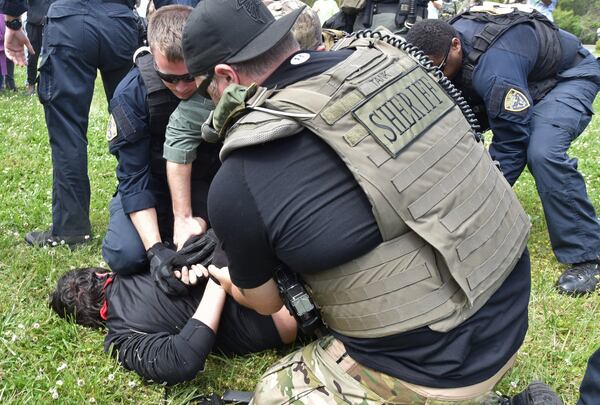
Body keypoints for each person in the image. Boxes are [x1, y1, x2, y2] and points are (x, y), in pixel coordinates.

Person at [180, 0, 560, 403]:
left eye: (207, 89)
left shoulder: (242, 174)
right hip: (510, 307)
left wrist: (227, 278)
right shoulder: (393, 64)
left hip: (443, 368)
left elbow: (267, 301)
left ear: (224, 76)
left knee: (276, 390)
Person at [406, 12, 600, 296]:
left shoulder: (495, 69)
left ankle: (588, 256)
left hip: (565, 77)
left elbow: (511, 143)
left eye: (440, 68)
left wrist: (476, 205)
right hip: (524, 73)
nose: (437, 77)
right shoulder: (440, 44)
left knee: (543, 152)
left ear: (456, 45)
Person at [163, 0, 324, 250]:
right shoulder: (363, 65)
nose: (184, 89)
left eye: (204, 89)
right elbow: (180, 132)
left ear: (227, 78)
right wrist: (182, 219)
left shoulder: (239, 180)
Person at [1, 0, 138, 248]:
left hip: (69, 20)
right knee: (133, 123)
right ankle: (147, 214)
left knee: (68, 131)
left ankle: (72, 229)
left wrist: (12, 20)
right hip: (121, 20)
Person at [102, 5, 220, 274]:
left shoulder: (221, 78)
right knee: (127, 256)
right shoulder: (131, 94)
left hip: (205, 181)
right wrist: (155, 250)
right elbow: (133, 176)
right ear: (153, 57)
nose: (181, 88)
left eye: (189, 77)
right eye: (169, 78)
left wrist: (201, 221)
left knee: (209, 244)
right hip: (151, 183)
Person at [48, 264, 298, 385]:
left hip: (284, 311)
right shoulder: (142, 256)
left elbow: (182, 360)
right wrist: (216, 279)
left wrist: (216, 276)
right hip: (282, 293)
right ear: (99, 273)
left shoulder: (122, 337)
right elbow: (181, 360)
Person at [24, 0, 52, 95]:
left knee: (53, 55)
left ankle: (48, 84)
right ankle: (31, 83)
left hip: (53, 19)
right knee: (32, 55)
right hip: (34, 20)